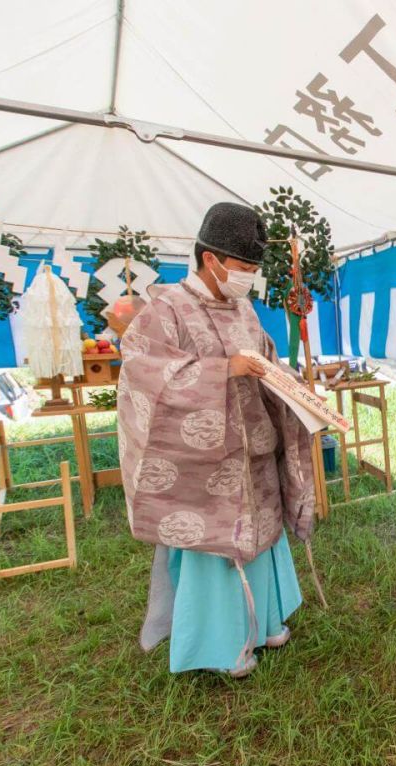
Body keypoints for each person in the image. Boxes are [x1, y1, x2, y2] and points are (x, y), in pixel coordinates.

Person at [119, 202, 314, 677]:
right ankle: (224, 645)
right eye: (244, 267)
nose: (249, 277)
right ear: (213, 259)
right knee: (218, 553)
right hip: (204, 465)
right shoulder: (167, 309)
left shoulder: (243, 307)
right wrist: (223, 370)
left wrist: (294, 388)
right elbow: (142, 371)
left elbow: (265, 357)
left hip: (256, 450)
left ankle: (266, 621)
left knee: (264, 540)